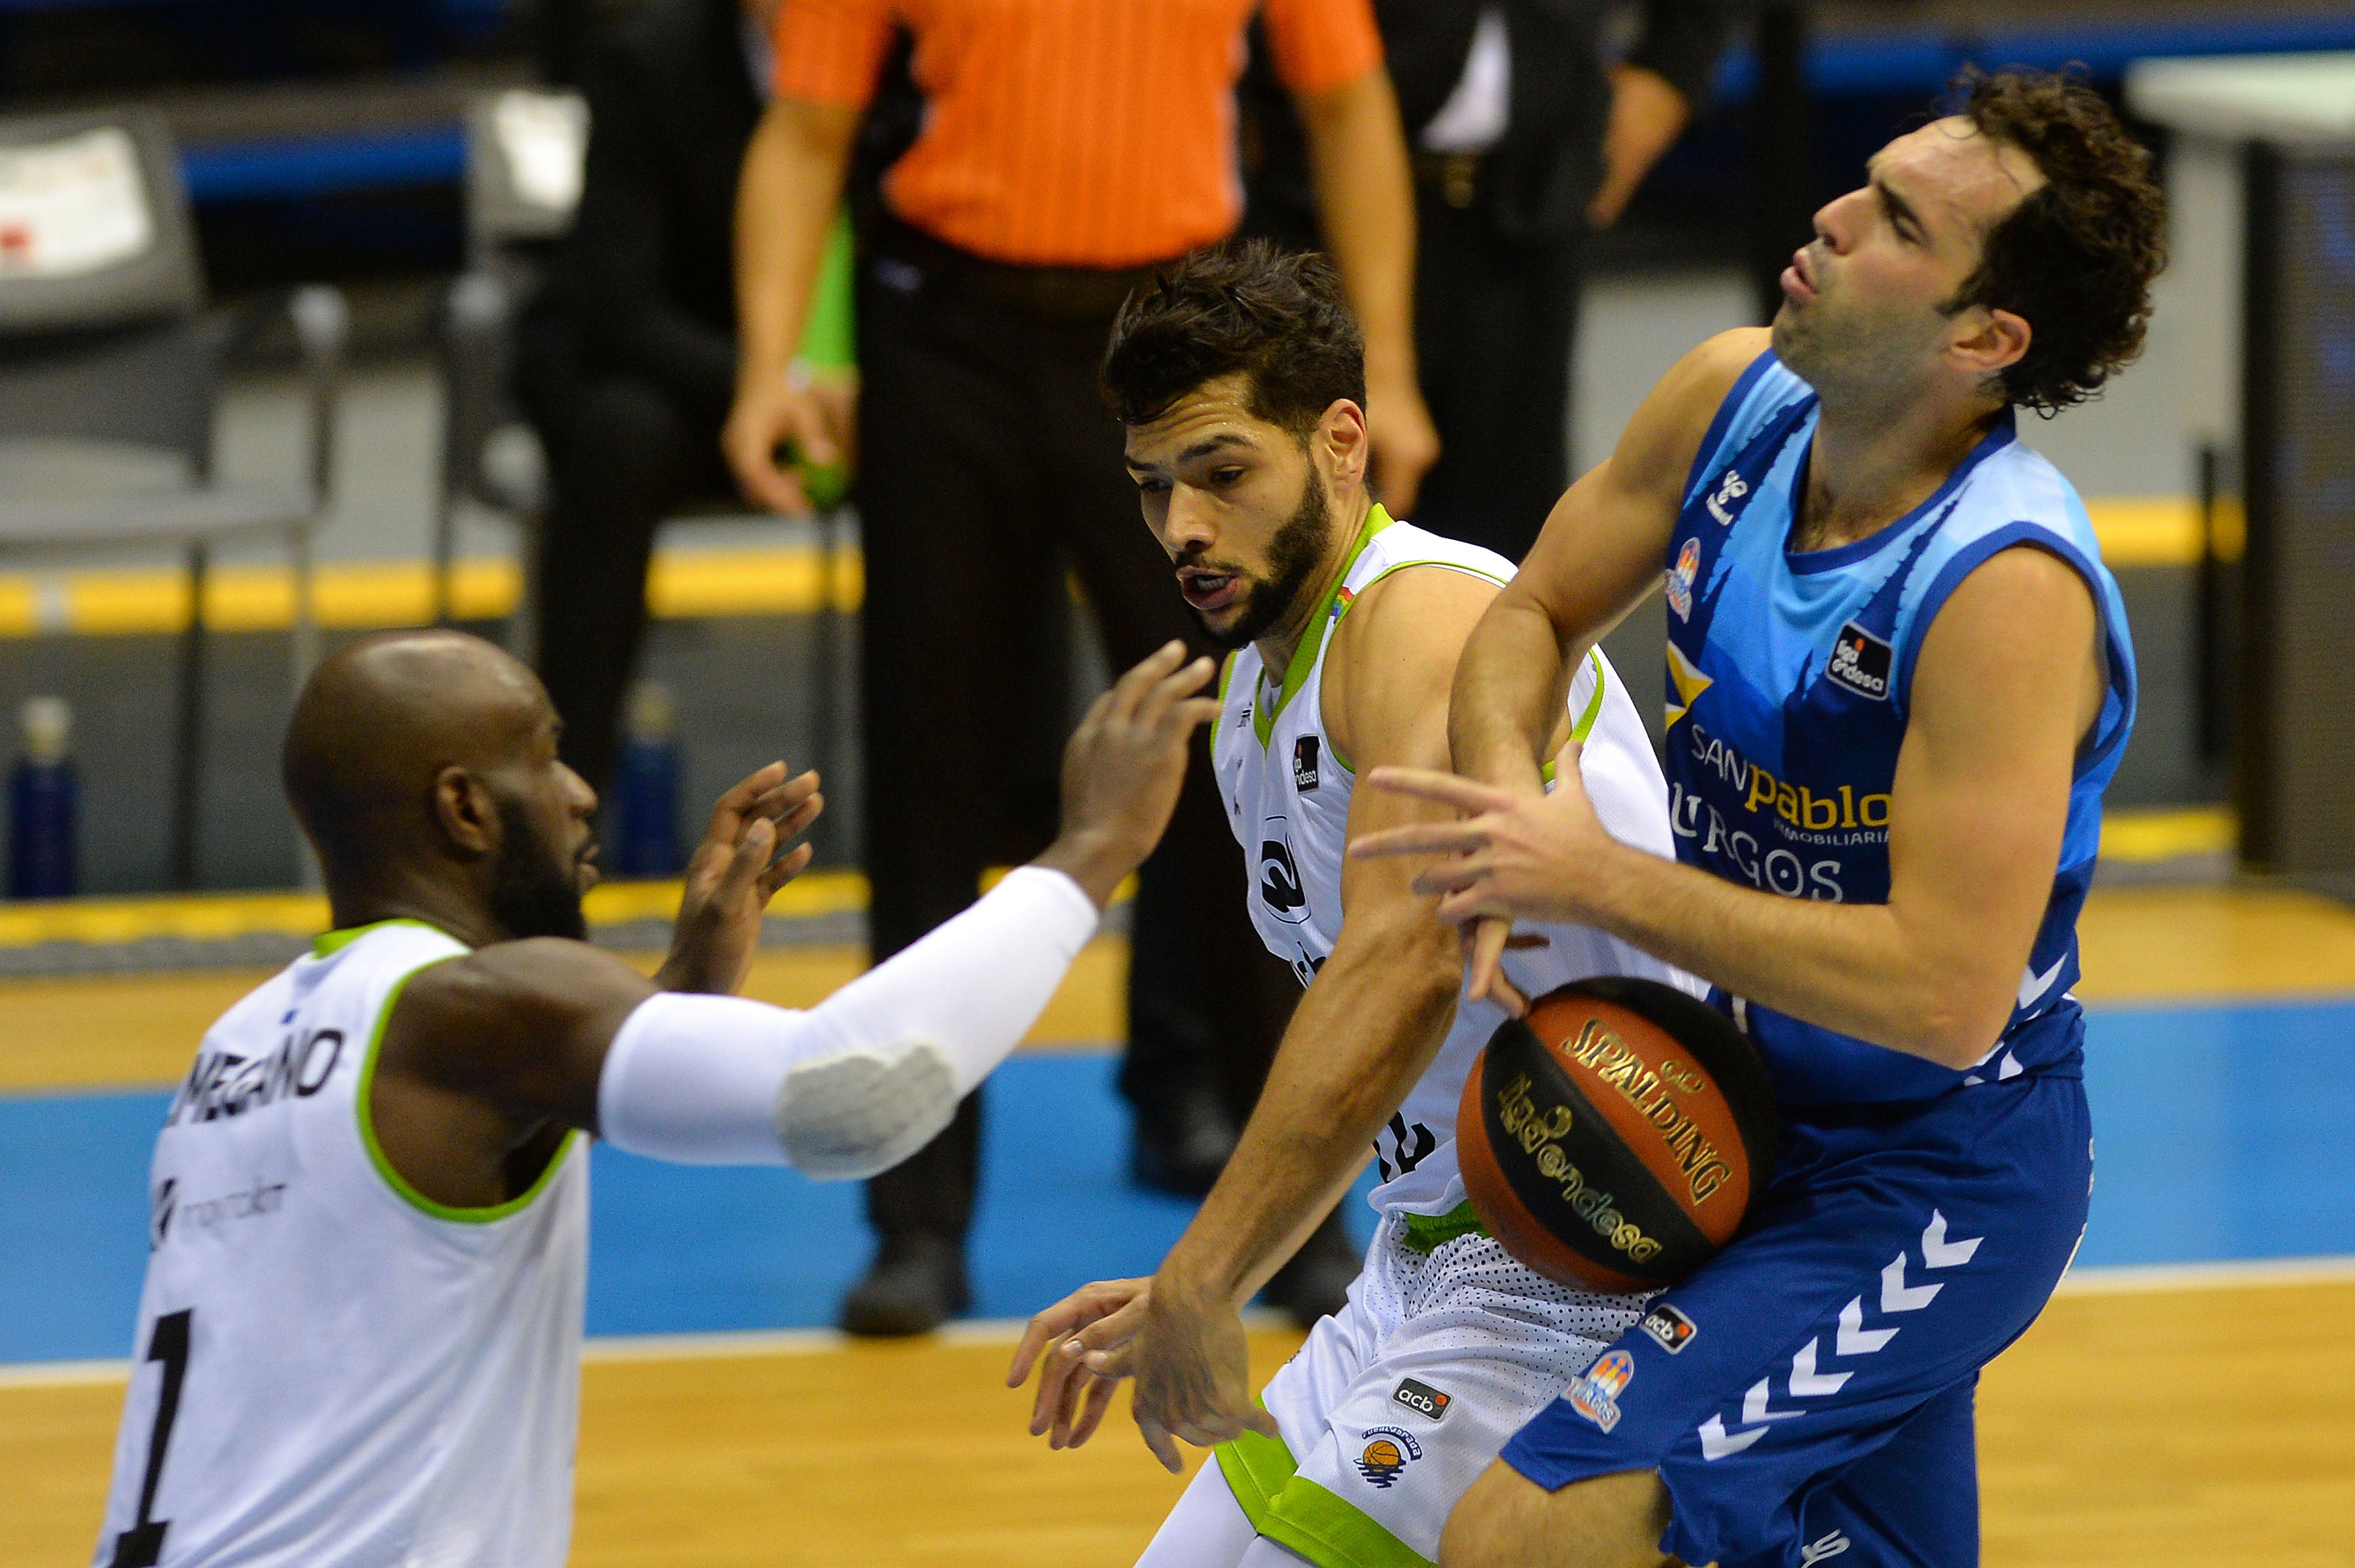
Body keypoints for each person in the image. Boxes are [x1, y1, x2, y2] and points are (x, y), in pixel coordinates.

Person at [1349, 69, 2163, 1567]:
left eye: (1896, 224)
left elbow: (1941, 992)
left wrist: (1596, 875)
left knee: (1524, 1532)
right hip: (1739, 1114)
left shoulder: (2000, 591)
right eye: (1863, 185)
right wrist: (1498, 808)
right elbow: (1529, 607)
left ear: (1984, 337)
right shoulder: (1730, 397)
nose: (1831, 218)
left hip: (1934, 1170)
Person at [90, 629, 1217, 1566]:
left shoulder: (240, 1044)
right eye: (544, 757)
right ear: (466, 809)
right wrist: (1090, 850)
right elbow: (862, 1096)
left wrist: (682, 991)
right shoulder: (472, 1010)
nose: (582, 794)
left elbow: (470, 1163)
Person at [725, 0, 1440, 1336]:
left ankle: (1296, 1222)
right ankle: (915, 1226)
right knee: (931, 777)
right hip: (945, 329)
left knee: (1239, 770)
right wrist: (776, 361)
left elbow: (1347, 107)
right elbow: (808, 123)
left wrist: (1384, 368)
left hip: (1178, 344)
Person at [1007, 243, 1698, 1568]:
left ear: (1340, 441)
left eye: (1222, 473)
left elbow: (1406, 960)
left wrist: (1213, 1266)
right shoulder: (1251, 709)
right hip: (1425, 1253)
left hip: (1580, 1252)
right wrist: (1195, 1271)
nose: (1183, 530)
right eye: (1153, 489)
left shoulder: (1425, 620)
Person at [1238, 0, 1734, 563]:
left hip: (1528, 210)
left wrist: (1672, 71)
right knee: (1313, 534)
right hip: (1312, 201)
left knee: (1512, 542)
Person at [516, 0, 774, 793]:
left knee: (981, 435)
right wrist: (769, 388)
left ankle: (1022, 798)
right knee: (619, 439)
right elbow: (617, 306)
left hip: (837, 381)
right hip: (668, 368)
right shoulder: (648, 63)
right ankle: (563, 794)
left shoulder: (906, 59)